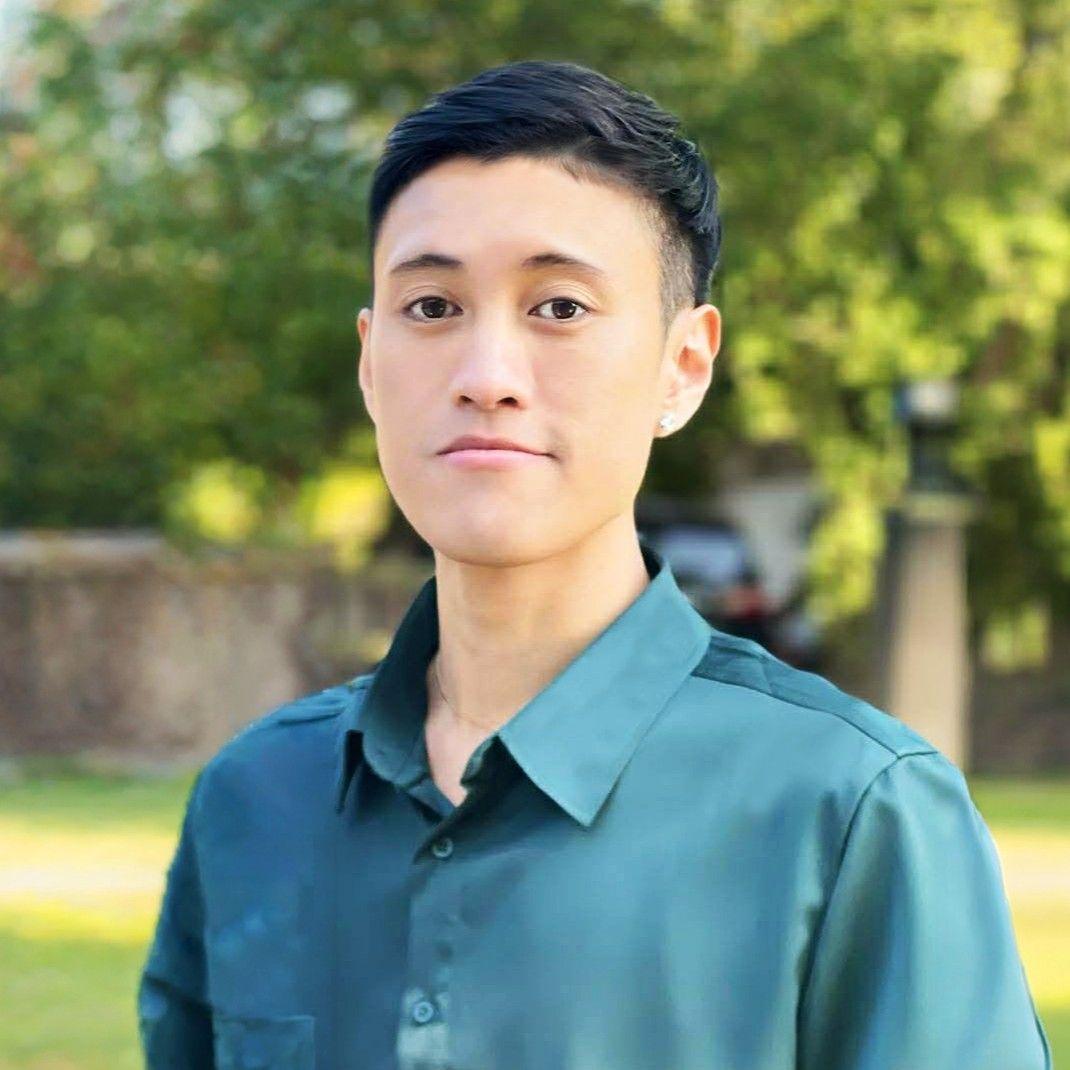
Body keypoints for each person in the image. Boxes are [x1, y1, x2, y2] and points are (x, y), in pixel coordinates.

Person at [137, 60, 1052, 1069]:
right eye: (432, 306)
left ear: (681, 368)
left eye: (559, 307)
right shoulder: (256, 795)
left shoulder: (850, 810)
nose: (486, 376)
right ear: (368, 361)